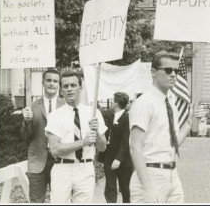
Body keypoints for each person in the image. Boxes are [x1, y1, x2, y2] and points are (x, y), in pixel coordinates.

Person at [128, 51, 204, 203]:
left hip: (172, 175)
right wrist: (148, 189)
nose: (174, 75)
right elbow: (134, 147)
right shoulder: (144, 103)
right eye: (168, 70)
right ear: (154, 73)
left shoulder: (170, 102)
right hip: (150, 174)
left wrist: (189, 122)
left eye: (176, 70)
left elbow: (173, 143)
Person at [45, 70, 107, 203]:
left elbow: (102, 148)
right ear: (61, 90)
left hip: (85, 167)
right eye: (65, 86)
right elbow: (54, 150)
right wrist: (82, 143)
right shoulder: (55, 116)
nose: (69, 89)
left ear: (81, 87)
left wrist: (96, 132)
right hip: (62, 169)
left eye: (73, 85)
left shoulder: (94, 113)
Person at [21, 69, 65, 203]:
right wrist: (26, 122)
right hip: (37, 161)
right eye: (49, 80)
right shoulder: (32, 106)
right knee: (36, 200)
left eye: (55, 81)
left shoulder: (66, 106)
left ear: (59, 85)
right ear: (43, 83)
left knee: (60, 200)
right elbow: (25, 137)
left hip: (60, 160)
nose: (52, 84)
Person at [104, 92, 133, 203]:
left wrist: (118, 159)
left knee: (125, 189)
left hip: (123, 160)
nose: (111, 102)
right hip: (109, 157)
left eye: (112, 100)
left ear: (116, 103)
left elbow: (125, 141)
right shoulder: (109, 116)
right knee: (110, 188)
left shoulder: (127, 118)